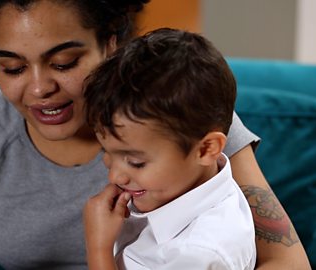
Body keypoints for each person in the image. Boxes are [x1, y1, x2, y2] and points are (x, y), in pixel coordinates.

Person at [0, 0, 310, 269]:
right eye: (12, 68)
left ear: (111, 44)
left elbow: (286, 261)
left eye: (64, 62)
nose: (39, 88)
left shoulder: (179, 111)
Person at [82, 28, 256, 269]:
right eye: (107, 154)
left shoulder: (198, 254)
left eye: (136, 162)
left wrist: (98, 248)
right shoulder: (181, 187)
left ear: (206, 149)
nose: (114, 176)